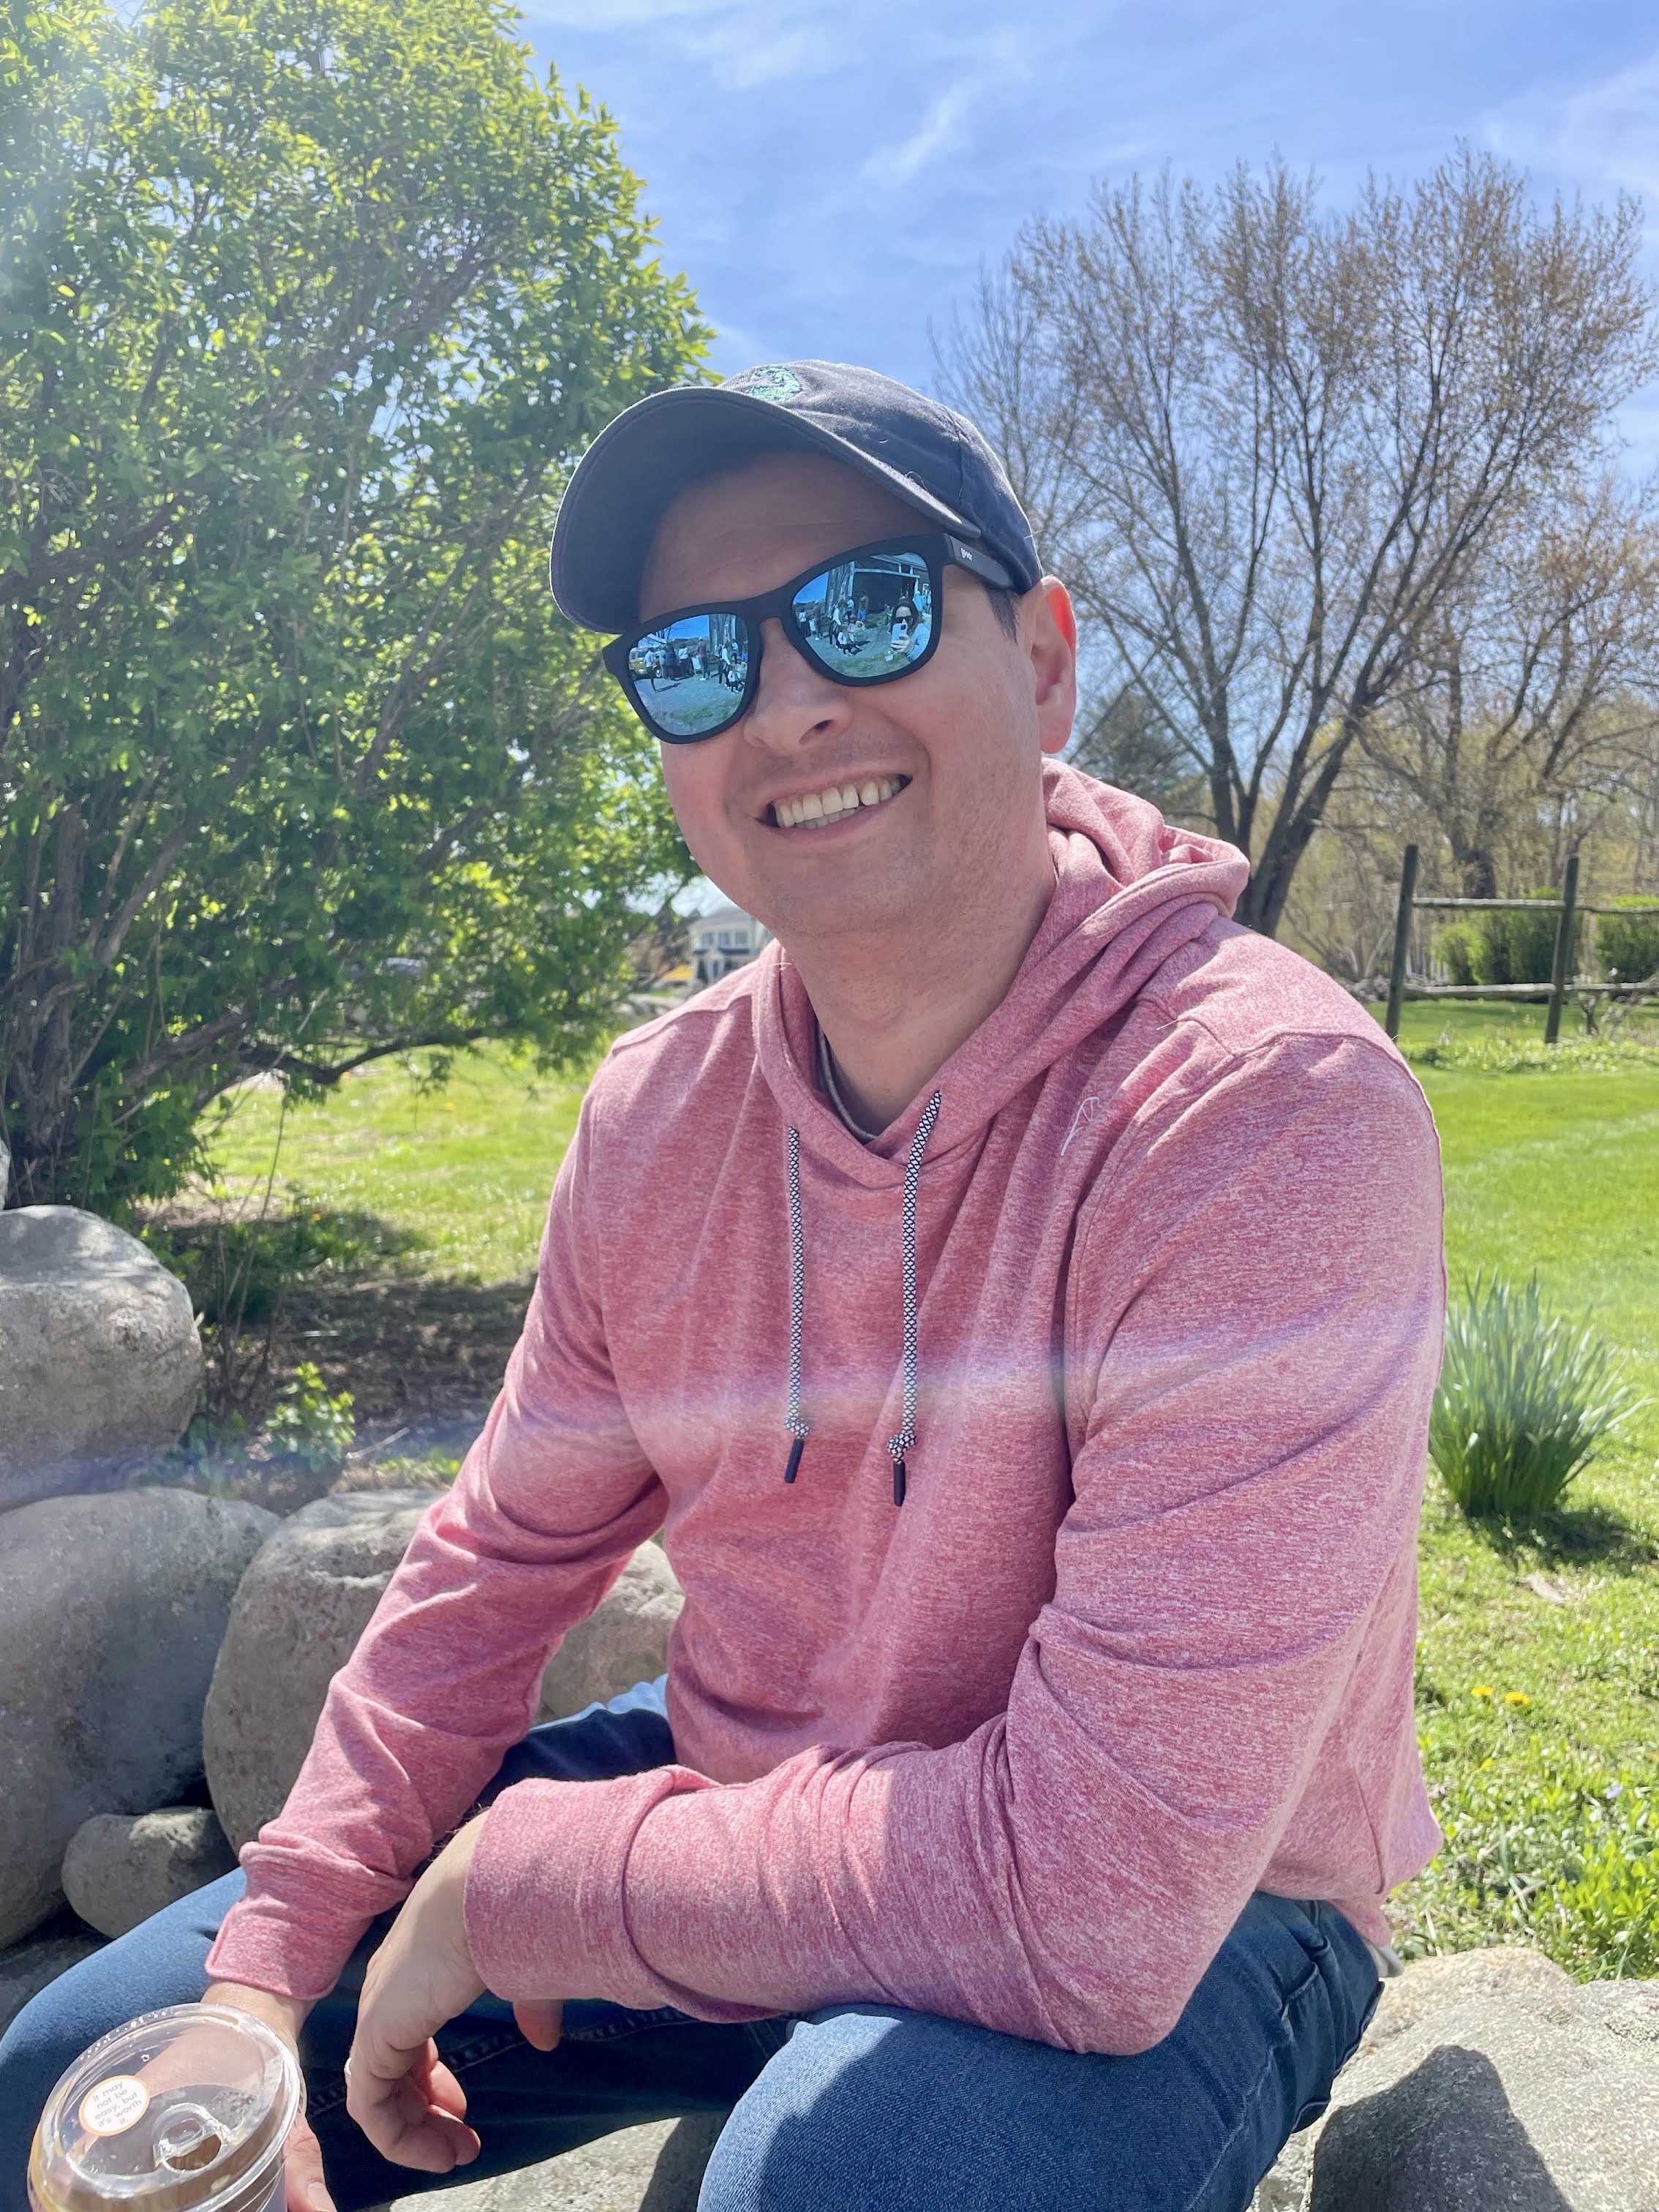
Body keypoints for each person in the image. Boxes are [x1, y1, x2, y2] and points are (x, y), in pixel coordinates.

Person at [0, 361, 1444, 2212]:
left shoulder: (1262, 1121)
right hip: (749, 1780)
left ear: (1051, 659)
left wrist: (536, 1883)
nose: (787, 704)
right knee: (78, 2084)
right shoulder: (655, 1117)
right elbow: (495, 1564)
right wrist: (275, 1954)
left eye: (867, 605)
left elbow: (1098, 1897)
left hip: (1204, 1897)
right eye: (694, 658)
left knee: (849, 2183)